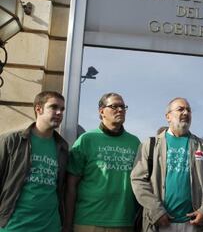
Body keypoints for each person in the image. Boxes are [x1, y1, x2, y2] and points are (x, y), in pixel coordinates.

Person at [131, 97, 203, 232]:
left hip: (194, 224)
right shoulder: (150, 145)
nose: (186, 113)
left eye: (188, 110)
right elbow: (138, 180)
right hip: (160, 223)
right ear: (168, 116)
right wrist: (156, 211)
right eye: (180, 109)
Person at [63, 93, 141, 232]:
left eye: (123, 107)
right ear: (101, 111)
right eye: (114, 106)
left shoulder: (135, 142)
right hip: (87, 221)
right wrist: (68, 224)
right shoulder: (86, 139)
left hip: (124, 222)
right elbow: (70, 185)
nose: (120, 110)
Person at [0, 91, 68, 231]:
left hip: (50, 226)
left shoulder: (62, 146)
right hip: (14, 225)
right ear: (39, 109)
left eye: (62, 109)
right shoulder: (12, 141)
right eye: (54, 107)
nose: (59, 112)